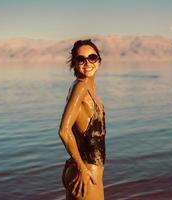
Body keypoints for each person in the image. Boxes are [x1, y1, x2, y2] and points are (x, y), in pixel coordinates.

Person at [58, 39, 106, 200]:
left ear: (99, 60)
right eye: (81, 59)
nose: (87, 63)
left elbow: (76, 129)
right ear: (74, 63)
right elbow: (64, 131)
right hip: (86, 172)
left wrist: (75, 161)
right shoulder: (81, 87)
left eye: (92, 57)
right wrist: (81, 168)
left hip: (80, 168)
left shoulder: (82, 86)